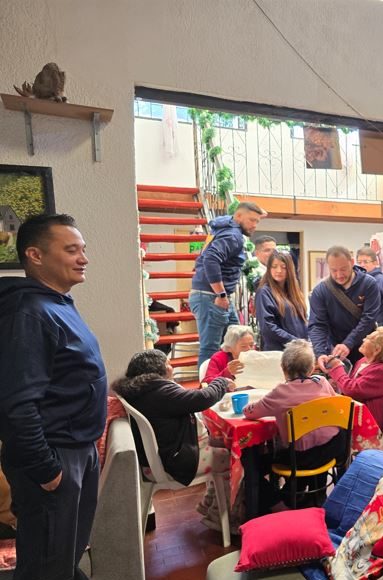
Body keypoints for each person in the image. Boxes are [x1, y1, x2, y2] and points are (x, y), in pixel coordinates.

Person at [0, 213, 108, 579]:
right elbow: (16, 402)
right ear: (35, 255)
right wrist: (45, 468)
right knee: (46, 567)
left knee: (64, 560)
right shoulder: (28, 313)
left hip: (77, 450)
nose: (84, 258)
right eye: (71, 250)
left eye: (83, 249)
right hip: (55, 455)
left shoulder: (56, 303)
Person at [243, 340, 347, 503]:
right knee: (315, 436)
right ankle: (312, 496)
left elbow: (250, 413)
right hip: (332, 448)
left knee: (250, 463)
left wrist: (247, 405)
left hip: (300, 458)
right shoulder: (322, 382)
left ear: (283, 369)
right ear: (312, 368)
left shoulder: (280, 393)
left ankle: (276, 503)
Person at [111, 349, 234, 486]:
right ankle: (230, 499)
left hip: (155, 459)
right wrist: (222, 381)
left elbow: (185, 399)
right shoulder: (159, 391)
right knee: (236, 454)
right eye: (168, 364)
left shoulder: (137, 389)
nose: (172, 367)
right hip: (174, 463)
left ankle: (212, 499)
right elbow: (204, 398)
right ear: (159, 368)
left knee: (224, 440)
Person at [189, 201, 265, 366]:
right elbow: (211, 259)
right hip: (212, 296)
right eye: (252, 220)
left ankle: (231, 377)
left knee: (236, 342)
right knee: (211, 348)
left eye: (257, 221)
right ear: (238, 216)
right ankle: (209, 382)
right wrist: (221, 294)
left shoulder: (225, 229)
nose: (254, 225)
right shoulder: (232, 236)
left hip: (213, 295)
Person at [308, 245, 382, 367]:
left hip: (366, 349)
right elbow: (317, 325)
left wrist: (348, 343)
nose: (339, 275)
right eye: (334, 270)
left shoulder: (369, 284)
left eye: (343, 269)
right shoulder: (320, 291)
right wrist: (320, 353)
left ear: (352, 262)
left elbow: (368, 318)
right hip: (336, 351)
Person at [321, 327, 383, 428]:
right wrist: (337, 383)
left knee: (325, 425)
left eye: (368, 338)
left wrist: (337, 368)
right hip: (355, 412)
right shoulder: (362, 361)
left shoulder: (381, 371)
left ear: (377, 350)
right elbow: (352, 385)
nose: (363, 339)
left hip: (367, 423)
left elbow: (352, 390)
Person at [255, 250, 308, 351]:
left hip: (299, 350)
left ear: (290, 269)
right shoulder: (264, 292)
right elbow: (268, 327)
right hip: (278, 352)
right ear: (269, 269)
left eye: (283, 267)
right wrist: (295, 341)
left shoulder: (294, 292)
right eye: (274, 266)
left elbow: (303, 322)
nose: (279, 270)